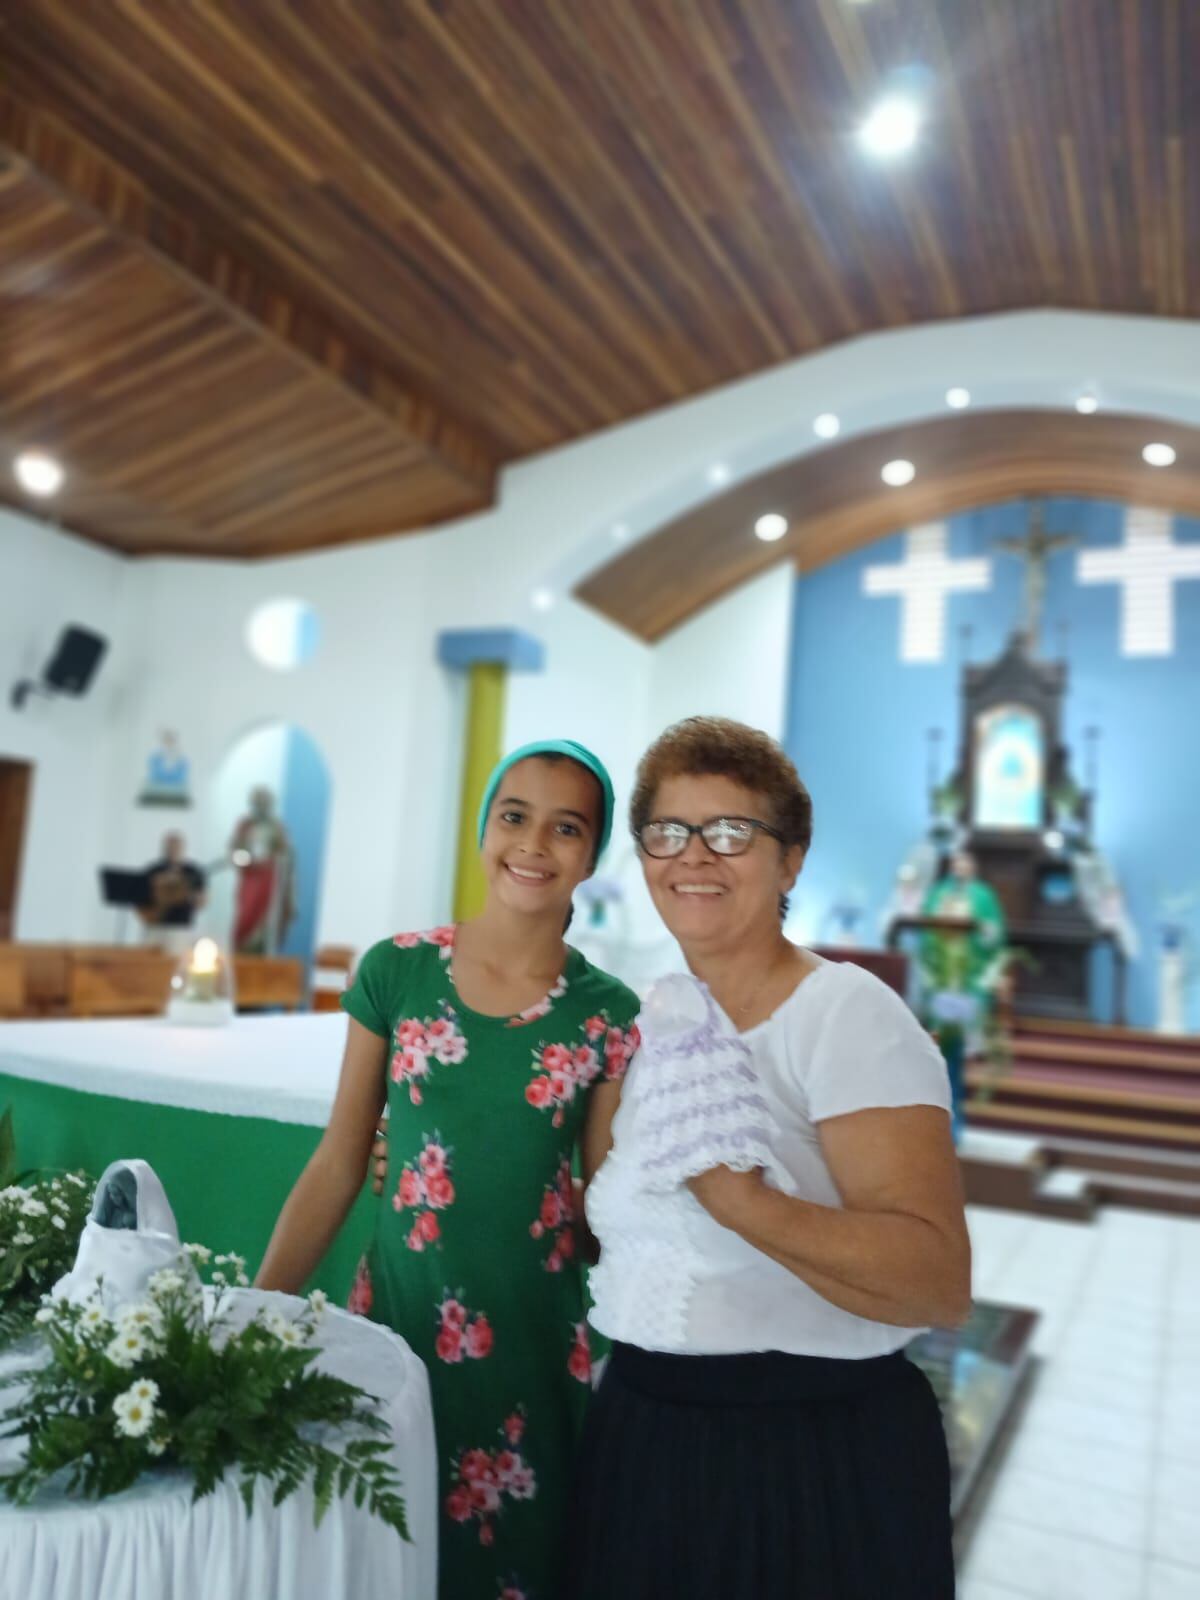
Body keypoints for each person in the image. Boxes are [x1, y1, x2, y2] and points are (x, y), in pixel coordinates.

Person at [569, 717, 968, 1600]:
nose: (694, 854)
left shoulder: (845, 1013)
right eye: (669, 831)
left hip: (805, 1456)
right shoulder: (660, 1022)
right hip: (644, 1440)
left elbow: (935, 1283)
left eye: (731, 831)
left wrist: (743, 1203)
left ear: (790, 862)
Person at [256, 739, 640, 1600]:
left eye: (566, 827)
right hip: (395, 1330)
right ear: (484, 828)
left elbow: (607, 1214)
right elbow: (339, 1161)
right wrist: (254, 1314)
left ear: (592, 854)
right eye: (515, 816)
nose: (533, 844)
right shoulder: (396, 971)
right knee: (379, 1560)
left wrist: (551, 1198)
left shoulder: (610, 1016)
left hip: (531, 1356)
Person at [229, 785, 295, 954]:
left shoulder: (276, 827)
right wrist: (243, 859)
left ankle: (261, 950)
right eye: (258, 802)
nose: (261, 805)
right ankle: (242, 951)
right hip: (249, 877)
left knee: (266, 918)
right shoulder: (244, 825)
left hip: (268, 878)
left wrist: (272, 857)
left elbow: (285, 853)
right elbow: (234, 850)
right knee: (246, 916)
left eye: (265, 802)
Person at [140, 831, 207, 953]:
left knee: (176, 960)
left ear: (182, 848)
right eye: (170, 846)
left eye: (176, 847)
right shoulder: (153, 870)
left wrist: (185, 893)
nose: (173, 850)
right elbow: (141, 901)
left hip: (180, 928)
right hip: (155, 926)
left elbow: (202, 902)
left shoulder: (193, 872)